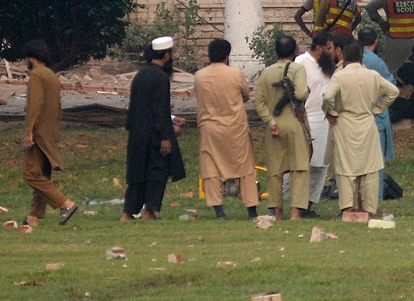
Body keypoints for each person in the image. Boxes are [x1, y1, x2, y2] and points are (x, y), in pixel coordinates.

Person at [322, 34, 399, 220]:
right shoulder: (372, 75)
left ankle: (348, 207)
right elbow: (393, 91)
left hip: (344, 124)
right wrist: (376, 108)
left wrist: (330, 112)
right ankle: (369, 207)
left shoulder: (340, 76)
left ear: (344, 57)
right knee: (370, 167)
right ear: (362, 57)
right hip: (367, 122)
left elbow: (326, 98)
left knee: (346, 168)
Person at [193, 38, 259, 219]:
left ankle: (219, 211)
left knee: (211, 167)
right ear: (227, 56)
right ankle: (251, 209)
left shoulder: (199, 76)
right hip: (235, 127)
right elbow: (245, 95)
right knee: (245, 167)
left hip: (210, 128)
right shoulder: (236, 74)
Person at [124, 36, 185, 220]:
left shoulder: (140, 74)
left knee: (138, 172)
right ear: (167, 56)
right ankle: (149, 211)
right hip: (154, 134)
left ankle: (128, 212)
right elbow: (159, 109)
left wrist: (171, 120)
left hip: (137, 132)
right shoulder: (160, 77)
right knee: (157, 172)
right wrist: (165, 137)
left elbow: (141, 107)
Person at [255, 32, 313, 220]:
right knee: (299, 169)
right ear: (295, 51)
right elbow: (302, 93)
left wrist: (270, 122)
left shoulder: (266, 72)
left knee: (275, 171)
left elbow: (259, 102)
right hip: (295, 123)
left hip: (274, 126)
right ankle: (296, 212)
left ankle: (277, 212)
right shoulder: (297, 69)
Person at [18, 40, 75, 228]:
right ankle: (33, 216)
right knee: (42, 173)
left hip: (39, 132)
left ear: (31, 57)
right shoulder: (51, 75)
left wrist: (28, 131)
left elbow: (35, 105)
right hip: (51, 131)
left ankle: (65, 204)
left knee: (30, 174)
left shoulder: (36, 76)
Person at [295, 29, 336, 213]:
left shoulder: (326, 65)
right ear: (319, 48)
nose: (331, 52)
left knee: (321, 166)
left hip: (325, 120)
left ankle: (310, 204)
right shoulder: (301, 62)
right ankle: (296, 202)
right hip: (308, 119)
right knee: (305, 164)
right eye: (328, 48)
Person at [355, 27, 397, 163]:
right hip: (375, 113)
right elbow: (391, 86)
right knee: (376, 160)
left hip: (353, 113)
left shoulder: (351, 60)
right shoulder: (377, 63)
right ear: (376, 42)